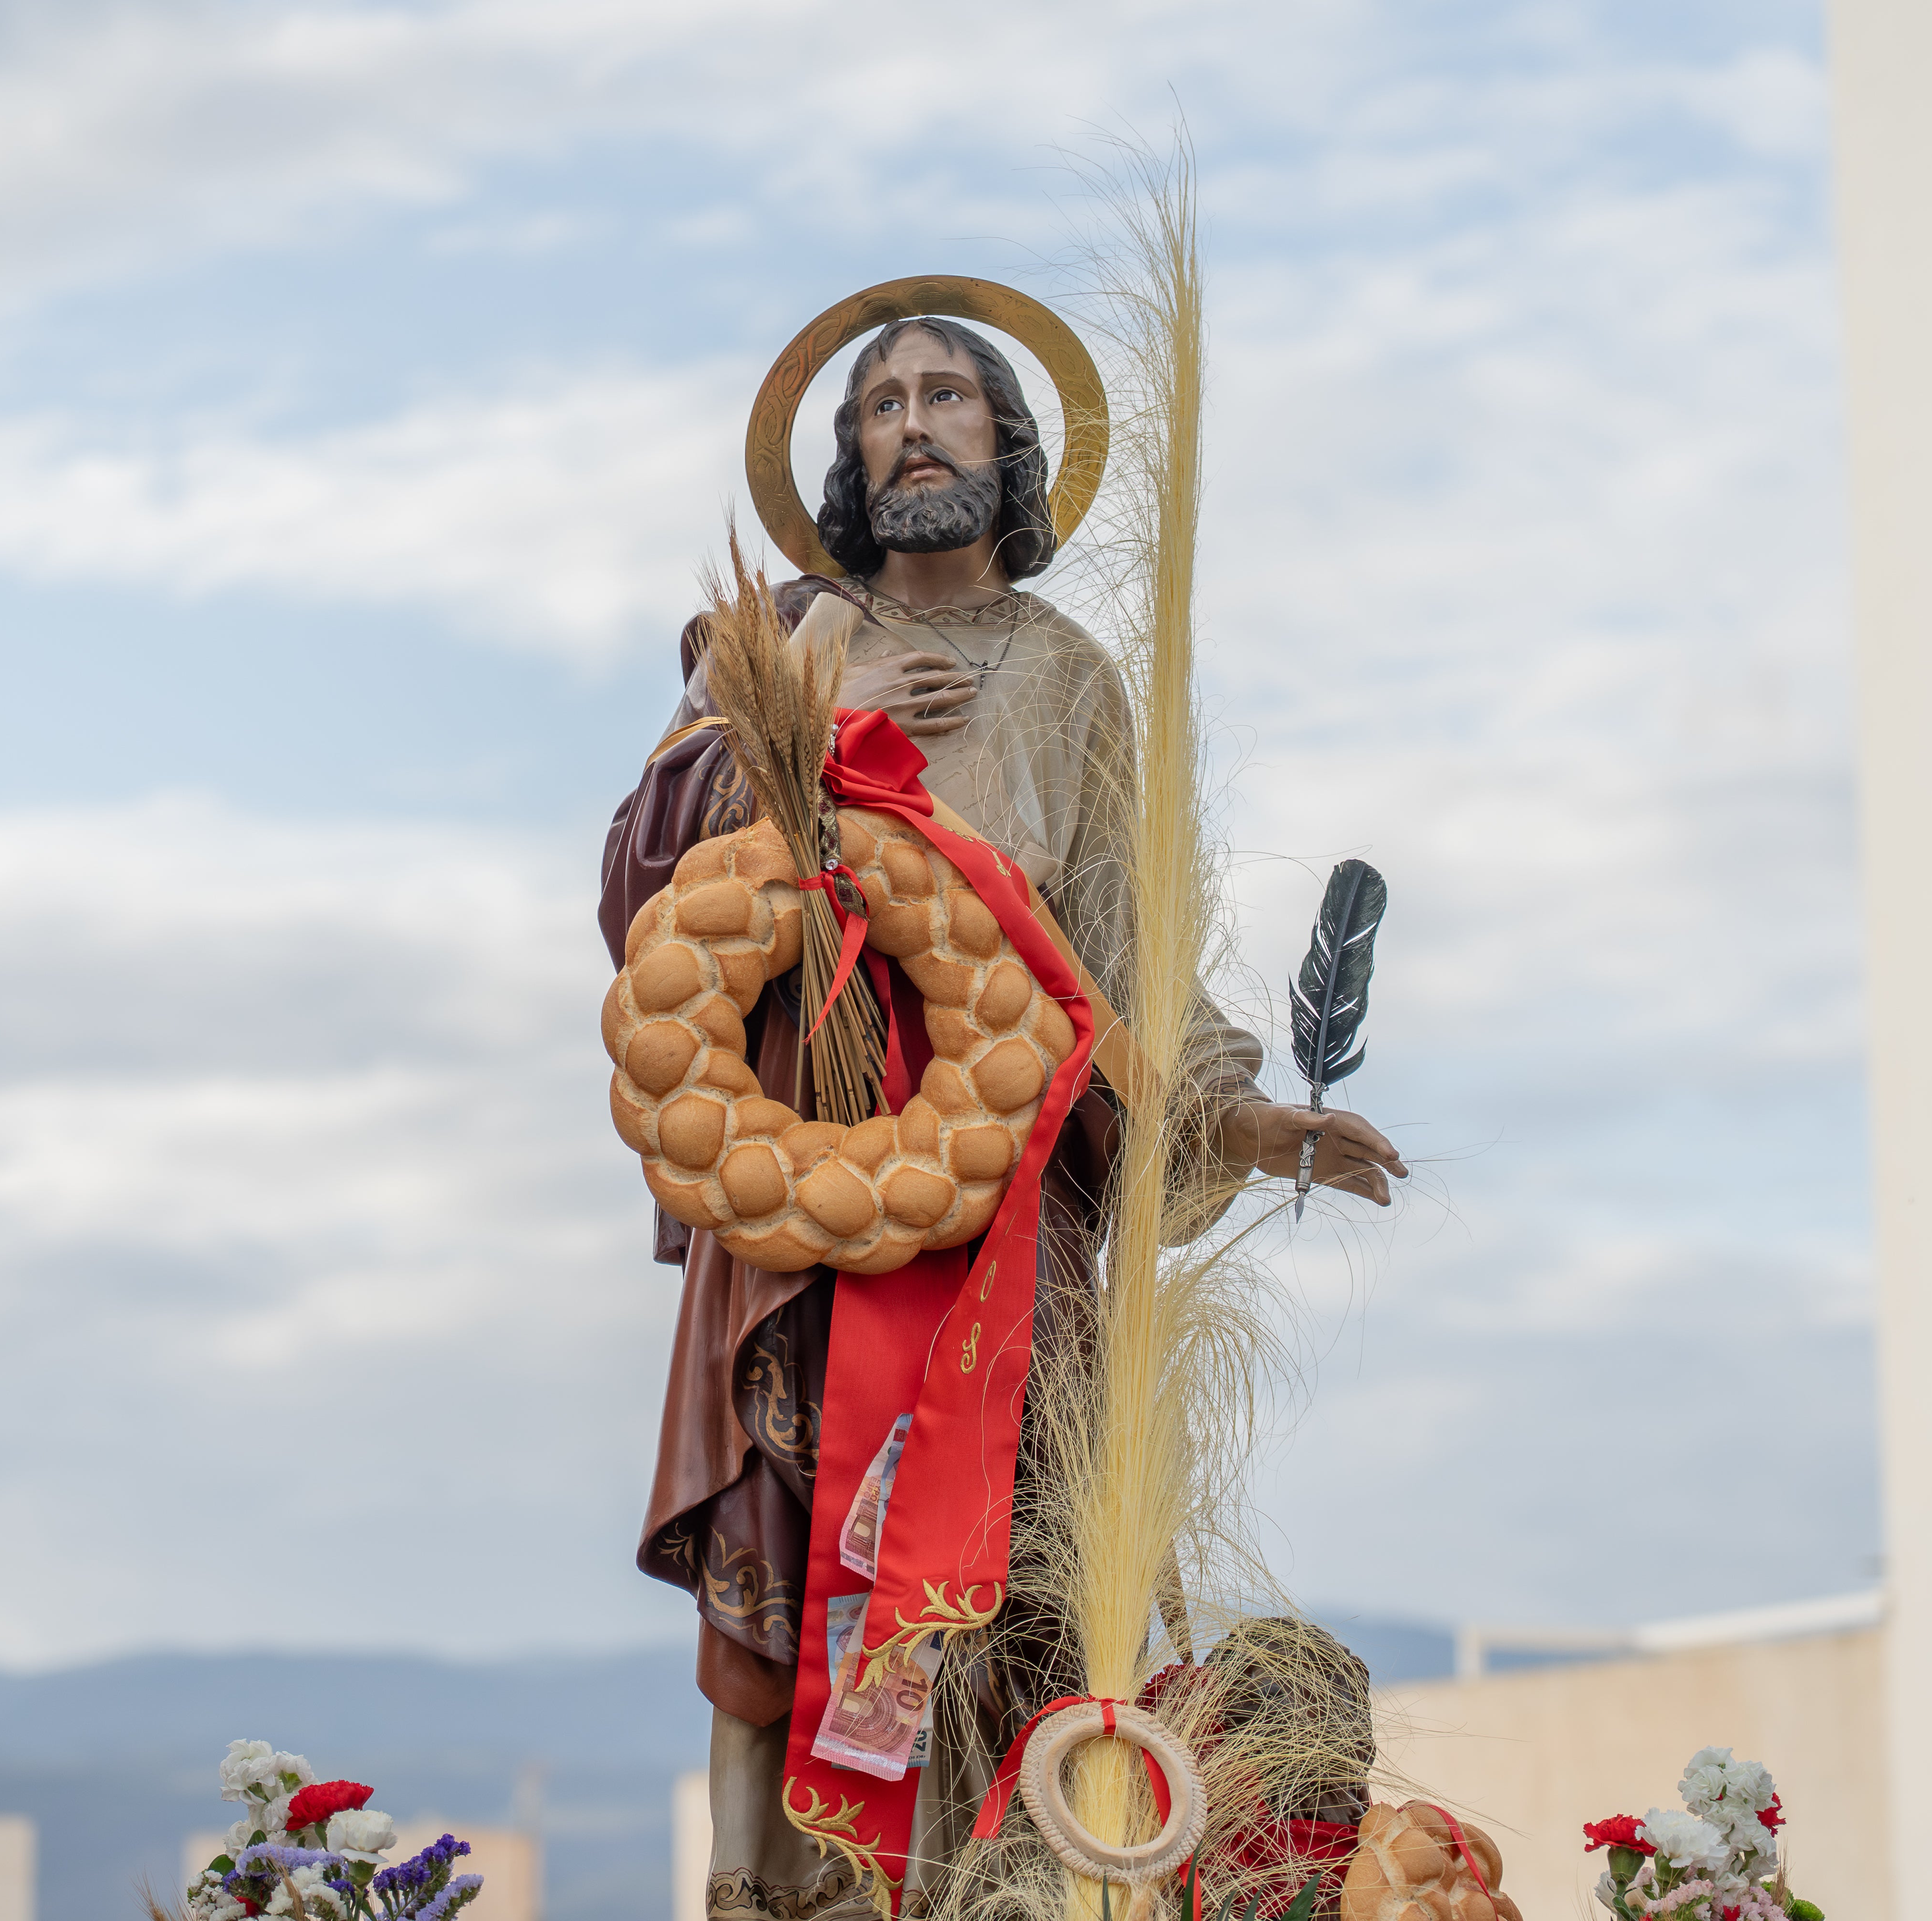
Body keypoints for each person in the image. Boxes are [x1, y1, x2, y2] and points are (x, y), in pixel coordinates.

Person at [598, 316, 1405, 1921]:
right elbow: (640, 873)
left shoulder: (1073, 681)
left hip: (1010, 1195)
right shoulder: (779, 636)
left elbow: (1133, 950)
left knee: (1012, 1559)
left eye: (946, 397)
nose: (913, 428)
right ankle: (776, 1882)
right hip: (807, 1172)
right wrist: (809, 732)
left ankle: (999, 1881)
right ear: (847, 455)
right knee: (794, 1506)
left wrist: (1234, 1115)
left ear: (1009, 443)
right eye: (882, 403)